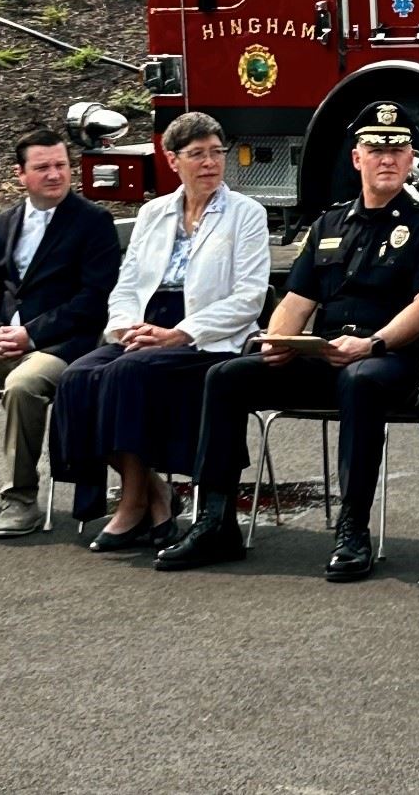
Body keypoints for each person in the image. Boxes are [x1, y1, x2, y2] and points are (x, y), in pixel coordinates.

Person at [155, 100, 419, 581]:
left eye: (397, 150)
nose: (387, 159)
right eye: (375, 149)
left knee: (359, 381)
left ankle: (352, 527)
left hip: (392, 361)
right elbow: (297, 300)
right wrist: (278, 340)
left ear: (410, 159)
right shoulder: (329, 224)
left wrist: (372, 344)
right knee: (227, 376)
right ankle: (214, 521)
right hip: (327, 355)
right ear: (357, 158)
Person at [50, 112, 270, 550]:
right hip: (146, 328)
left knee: (125, 375)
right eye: (197, 155)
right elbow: (127, 284)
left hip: (206, 337)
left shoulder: (247, 213)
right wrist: (126, 329)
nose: (210, 163)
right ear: (173, 161)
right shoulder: (154, 212)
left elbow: (249, 298)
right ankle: (156, 491)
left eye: (216, 153)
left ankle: (132, 505)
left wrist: (181, 333)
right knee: (75, 379)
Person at [0, 128, 119, 537]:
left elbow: (93, 300)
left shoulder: (93, 222)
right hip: (4, 340)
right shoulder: (3, 223)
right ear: (20, 175)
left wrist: (29, 335)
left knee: (24, 386)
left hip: (64, 345)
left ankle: (20, 502)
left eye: (61, 165)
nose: (54, 174)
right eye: (42, 167)